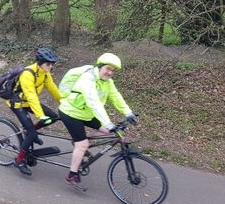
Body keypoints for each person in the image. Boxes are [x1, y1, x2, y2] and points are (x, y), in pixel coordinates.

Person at [58, 53, 137, 191]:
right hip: (71, 113)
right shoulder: (87, 79)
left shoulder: (107, 82)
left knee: (111, 132)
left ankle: (80, 143)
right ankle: (72, 174)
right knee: (82, 144)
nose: (110, 72)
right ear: (99, 66)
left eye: (113, 70)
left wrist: (128, 112)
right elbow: (94, 102)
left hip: (87, 114)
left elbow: (116, 96)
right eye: (108, 68)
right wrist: (108, 122)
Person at [9, 48, 62, 176]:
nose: (51, 67)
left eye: (52, 64)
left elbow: (53, 88)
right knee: (33, 134)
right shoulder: (28, 73)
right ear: (40, 63)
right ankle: (19, 160)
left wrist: (64, 102)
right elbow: (31, 95)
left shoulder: (44, 73)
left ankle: (29, 132)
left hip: (29, 102)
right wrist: (40, 115)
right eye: (48, 64)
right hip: (19, 103)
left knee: (54, 117)